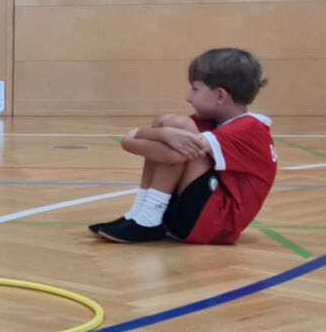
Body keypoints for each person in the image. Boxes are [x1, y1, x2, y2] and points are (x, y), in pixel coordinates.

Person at [90, 48, 276, 245]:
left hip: (217, 225)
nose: (189, 97)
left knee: (178, 127)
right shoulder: (215, 122)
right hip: (200, 215)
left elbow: (172, 157)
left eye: (195, 89)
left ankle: (148, 220)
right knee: (167, 122)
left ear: (221, 95)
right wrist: (157, 133)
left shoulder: (249, 128)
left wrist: (131, 138)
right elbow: (167, 145)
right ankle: (140, 214)